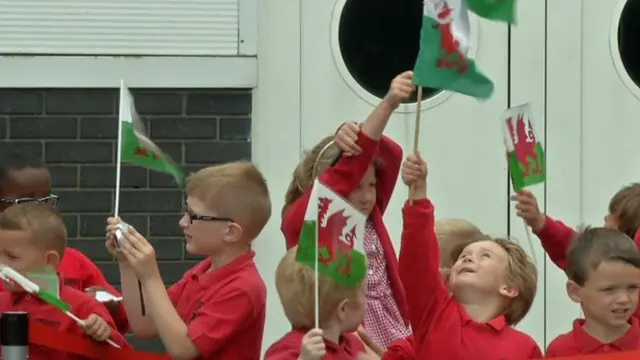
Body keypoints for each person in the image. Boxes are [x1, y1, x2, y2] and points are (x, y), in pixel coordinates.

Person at [281, 71, 414, 349]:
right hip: (347, 336)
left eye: (372, 185)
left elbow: (391, 154)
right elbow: (344, 173)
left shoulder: (369, 215)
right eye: (356, 187)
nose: (367, 197)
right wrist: (387, 104)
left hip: (393, 329)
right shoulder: (306, 221)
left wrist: (353, 129)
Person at [106, 161, 269, 360]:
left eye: (193, 216)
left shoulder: (243, 288)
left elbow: (184, 350)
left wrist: (150, 276)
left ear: (231, 232)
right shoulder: (204, 270)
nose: (182, 222)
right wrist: (127, 262)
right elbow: (144, 324)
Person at [399, 153, 542, 359]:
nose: (467, 258)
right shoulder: (434, 315)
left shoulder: (525, 348)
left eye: (485, 256)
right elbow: (417, 261)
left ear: (509, 287)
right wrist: (419, 192)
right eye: (464, 256)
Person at [0, 150, 128, 333]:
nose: (40, 209)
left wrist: (106, 306)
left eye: (46, 200)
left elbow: (120, 321)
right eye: (27, 202)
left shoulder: (74, 261)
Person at [0, 203, 129, 360]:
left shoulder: (83, 308)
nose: (2, 264)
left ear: (49, 261)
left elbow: (119, 353)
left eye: (12, 257)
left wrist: (104, 333)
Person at [545, 227, 640, 357]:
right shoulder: (559, 351)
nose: (624, 299)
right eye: (609, 289)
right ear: (575, 292)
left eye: (632, 287)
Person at [264, 246, 370, 360]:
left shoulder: (353, 345)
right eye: (364, 294)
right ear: (343, 309)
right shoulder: (290, 350)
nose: (367, 300)